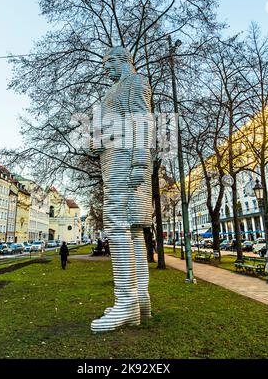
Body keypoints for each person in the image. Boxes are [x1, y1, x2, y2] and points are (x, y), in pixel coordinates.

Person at [90, 46, 153, 333]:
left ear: (122, 60)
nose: (106, 69)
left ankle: (125, 301)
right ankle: (139, 299)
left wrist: (140, 159)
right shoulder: (117, 88)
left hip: (124, 157)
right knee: (134, 229)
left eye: (109, 63)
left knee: (117, 224)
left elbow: (142, 120)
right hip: (115, 155)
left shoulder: (134, 82)